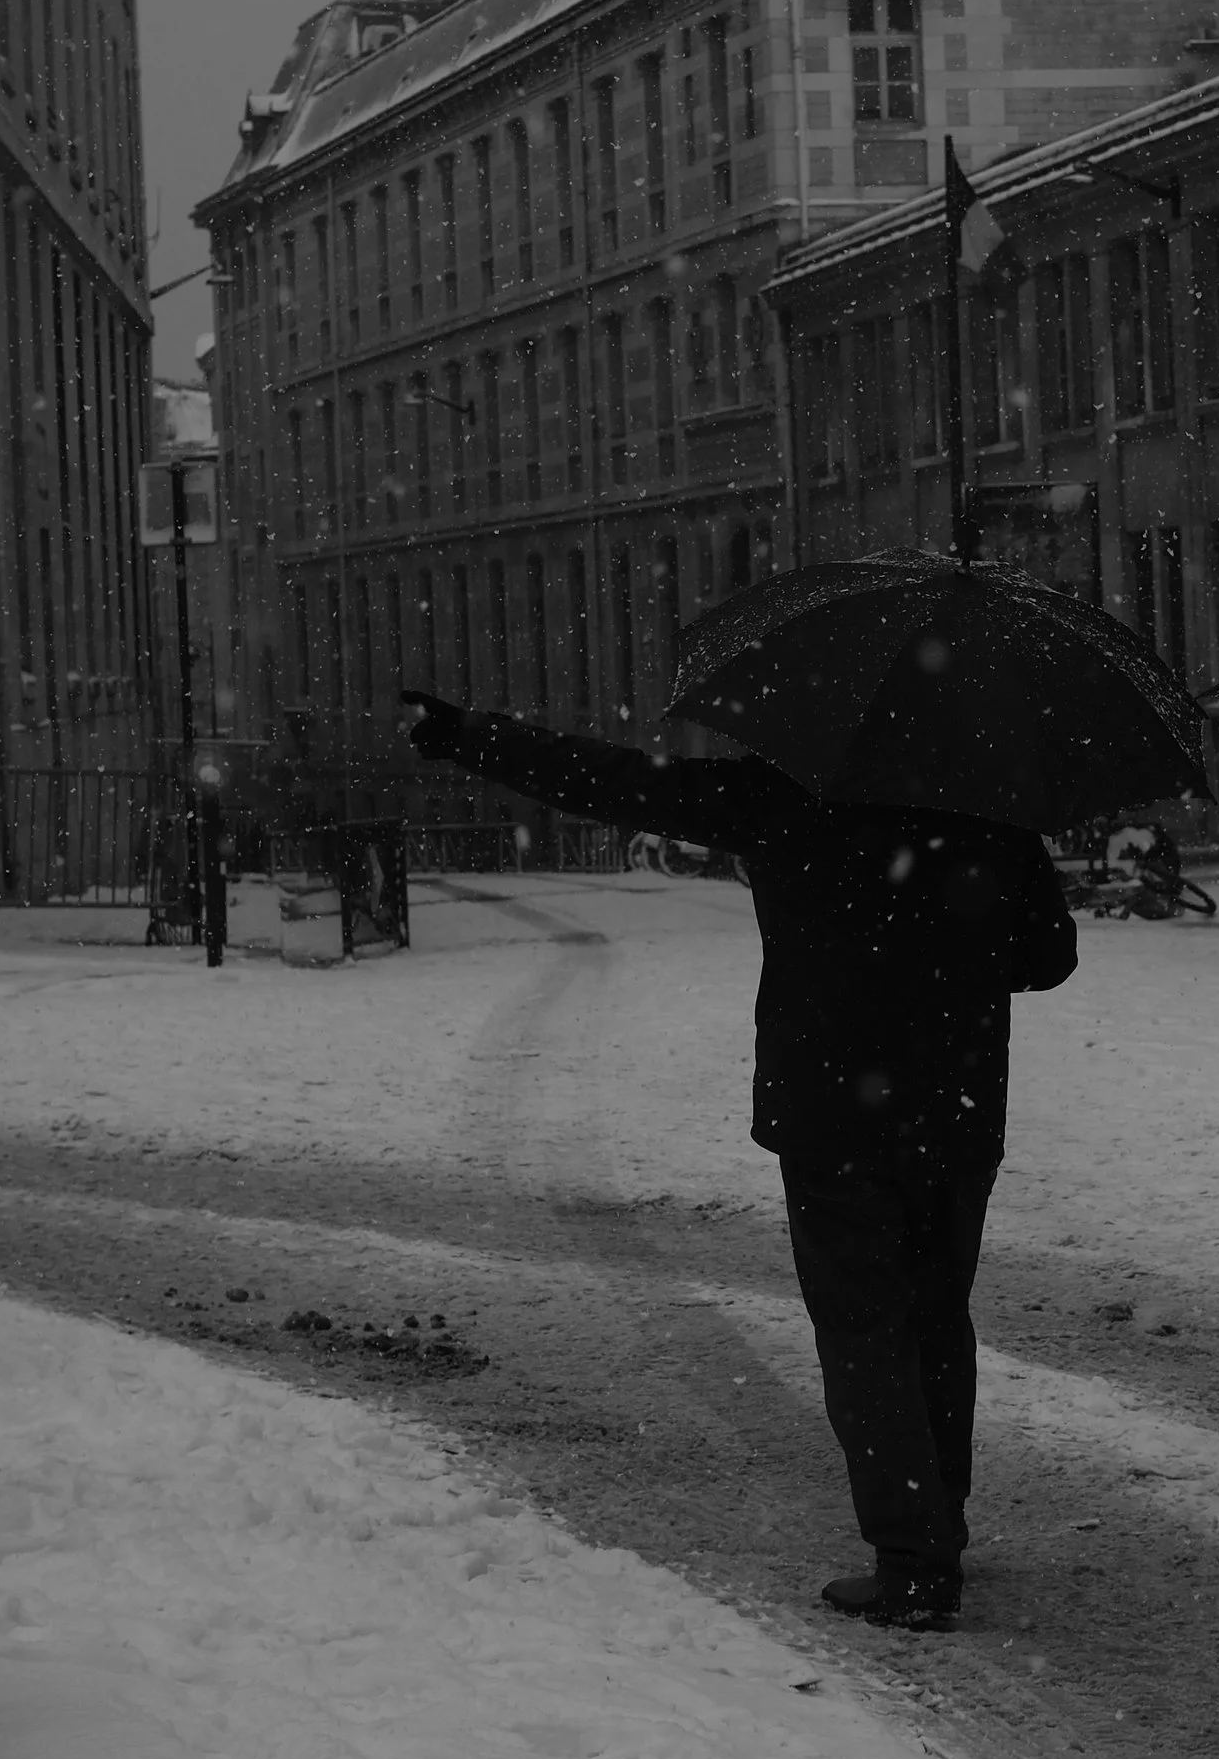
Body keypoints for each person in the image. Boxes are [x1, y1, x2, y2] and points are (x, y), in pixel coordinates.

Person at [403, 687, 1076, 1629]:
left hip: (833, 1109)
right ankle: (938, 1521)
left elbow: (618, 783)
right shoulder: (986, 807)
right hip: (955, 1110)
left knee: (862, 1328)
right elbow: (1049, 957)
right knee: (932, 1316)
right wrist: (952, 937)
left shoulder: (780, 796)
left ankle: (917, 1557)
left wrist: (475, 737)